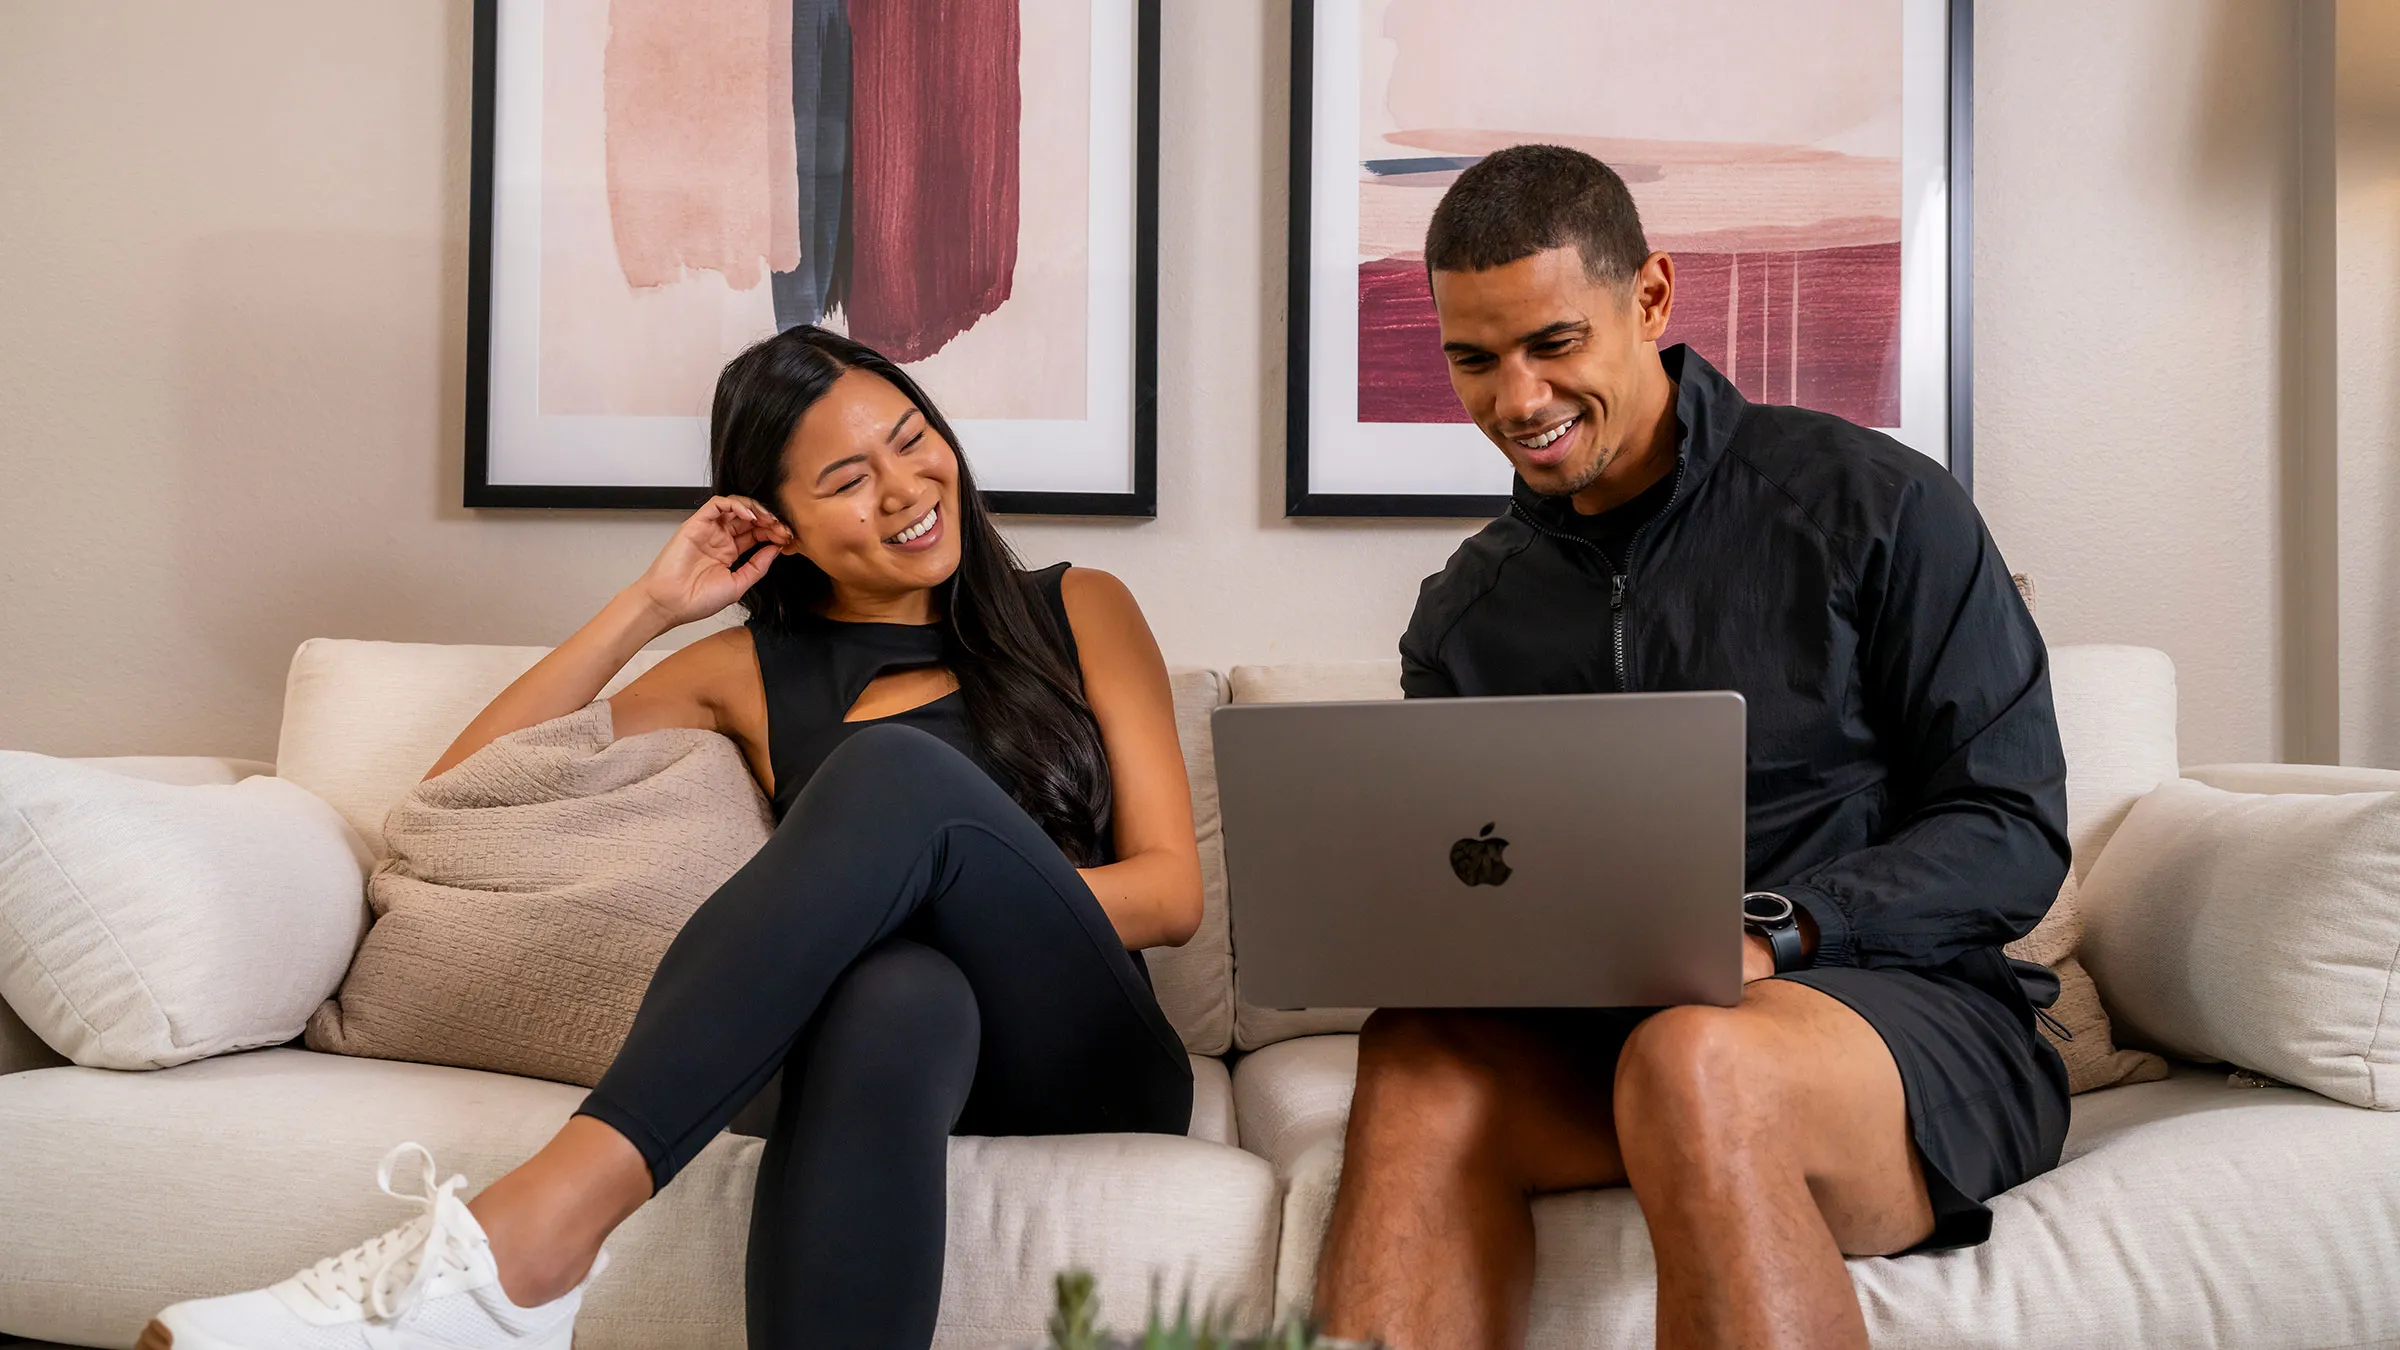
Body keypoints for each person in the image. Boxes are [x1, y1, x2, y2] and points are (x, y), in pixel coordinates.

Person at [144, 326, 1202, 1350]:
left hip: (1082, 1047)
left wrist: (932, 881)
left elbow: (1167, 894)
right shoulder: (746, 671)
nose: (904, 489)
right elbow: (471, 795)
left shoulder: (1076, 609)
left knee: (894, 775)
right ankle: (513, 1272)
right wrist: (649, 607)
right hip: (891, 1046)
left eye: (912, 437)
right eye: (844, 479)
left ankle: (530, 1244)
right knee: (898, 989)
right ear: (775, 521)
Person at [1312, 145, 2073, 1350]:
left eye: (1552, 343)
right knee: (1413, 1057)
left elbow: (2011, 831)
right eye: (1475, 357)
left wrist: (1775, 930)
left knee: (1694, 1056)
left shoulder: (1877, 505)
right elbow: (1478, 880)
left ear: (1651, 299)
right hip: (1615, 1042)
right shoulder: (1466, 614)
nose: (1516, 401)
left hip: (1901, 1023)